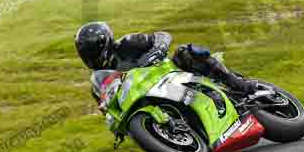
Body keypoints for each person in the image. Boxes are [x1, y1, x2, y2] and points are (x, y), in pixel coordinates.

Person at [74, 22, 260, 98]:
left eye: (91, 51)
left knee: (185, 52)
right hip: (149, 96)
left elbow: (162, 36)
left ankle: (236, 84)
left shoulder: (127, 44)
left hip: (169, 74)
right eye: (86, 53)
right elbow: (106, 107)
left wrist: (157, 50)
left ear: (103, 44)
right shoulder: (99, 80)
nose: (89, 57)